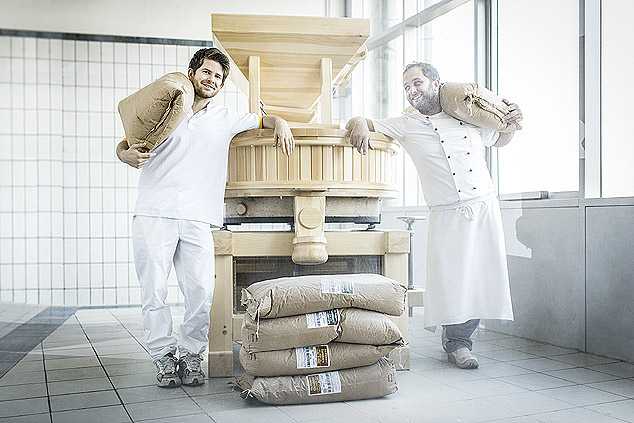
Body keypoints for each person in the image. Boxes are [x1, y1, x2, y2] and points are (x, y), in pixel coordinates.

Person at [116, 47, 295, 387]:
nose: (211, 79)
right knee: (153, 291)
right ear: (192, 73)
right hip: (154, 210)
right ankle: (163, 357)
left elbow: (264, 120)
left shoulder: (226, 118)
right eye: (207, 72)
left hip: (199, 217)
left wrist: (280, 122)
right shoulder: (166, 107)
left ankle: (190, 356)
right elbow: (127, 140)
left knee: (200, 293)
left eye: (218, 76)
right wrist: (124, 154)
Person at [346, 62, 522, 369]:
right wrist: (359, 122)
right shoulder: (406, 123)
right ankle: (455, 341)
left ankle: (461, 342)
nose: (412, 91)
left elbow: (500, 139)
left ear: (436, 82)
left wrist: (514, 120)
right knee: (451, 280)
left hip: (482, 205)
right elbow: (365, 121)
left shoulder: (466, 113)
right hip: (445, 211)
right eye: (407, 87)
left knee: (480, 277)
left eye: (417, 83)